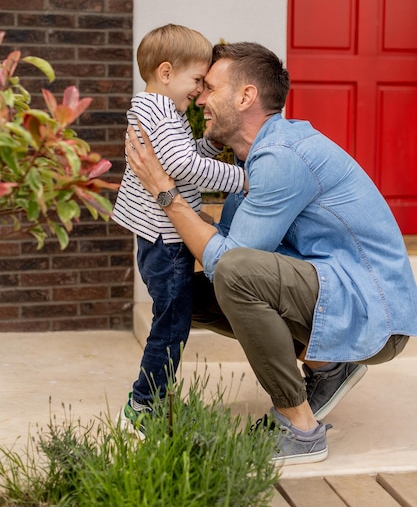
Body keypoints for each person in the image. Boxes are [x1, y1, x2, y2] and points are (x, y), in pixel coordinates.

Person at [125, 41, 417, 465]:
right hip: (335, 296)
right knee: (190, 295)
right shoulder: (254, 162)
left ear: (245, 97)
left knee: (235, 272)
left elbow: (230, 261)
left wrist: (165, 192)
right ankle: (325, 365)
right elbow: (225, 248)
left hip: (375, 314)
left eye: (210, 89)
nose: (200, 100)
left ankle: (300, 429)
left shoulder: (281, 157)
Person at [112, 25, 246, 430]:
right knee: (172, 324)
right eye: (196, 80)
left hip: (156, 240)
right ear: (166, 72)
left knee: (172, 319)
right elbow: (184, 167)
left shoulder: (153, 110)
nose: (199, 91)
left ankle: (154, 399)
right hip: (167, 242)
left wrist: (208, 144)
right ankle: (143, 403)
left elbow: (182, 157)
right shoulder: (161, 113)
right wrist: (241, 179)